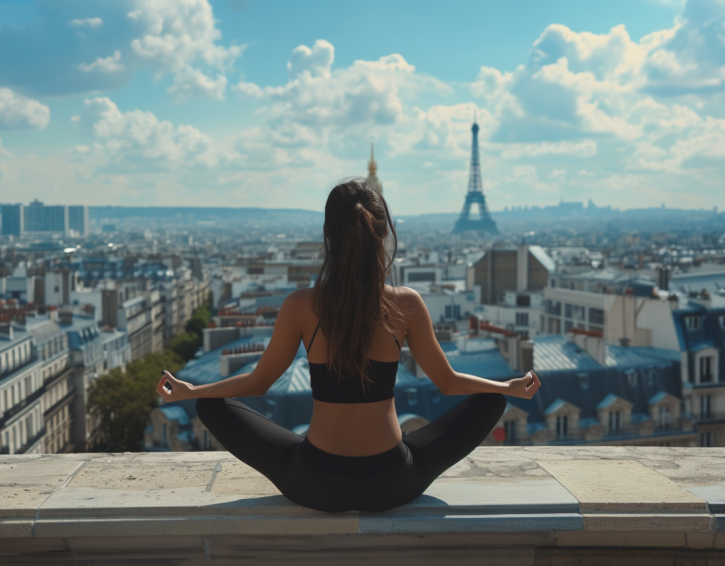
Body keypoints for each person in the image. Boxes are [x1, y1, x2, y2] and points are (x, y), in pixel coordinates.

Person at [155, 179, 541, 513]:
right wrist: (506, 387)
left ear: (328, 236)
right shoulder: (405, 303)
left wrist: (195, 391)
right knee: (490, 401)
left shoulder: (301, 305)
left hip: (315, 482)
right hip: (393, 482)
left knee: (210, 405)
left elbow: (257, 383)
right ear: (382, 237)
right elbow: (447, 381)